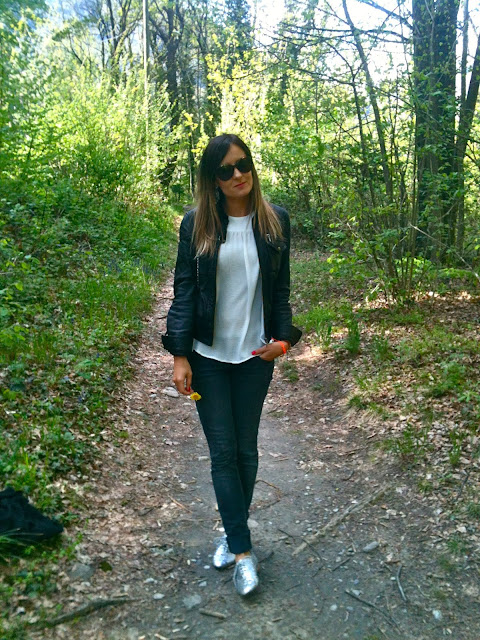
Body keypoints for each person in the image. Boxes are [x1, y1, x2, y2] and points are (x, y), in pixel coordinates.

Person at [162, 134, 301, 596]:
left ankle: (231, 532)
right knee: (223, 452)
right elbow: (184, 291)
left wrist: (284, 342)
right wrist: (179, 354)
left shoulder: (275, 221)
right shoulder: (196, 224)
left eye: (243, 164)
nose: (238, 175)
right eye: (226, 170)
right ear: (213, 179)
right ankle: (242, 553)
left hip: (254, 358)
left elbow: (280, 291)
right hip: (208, 358)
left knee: (246, 451)